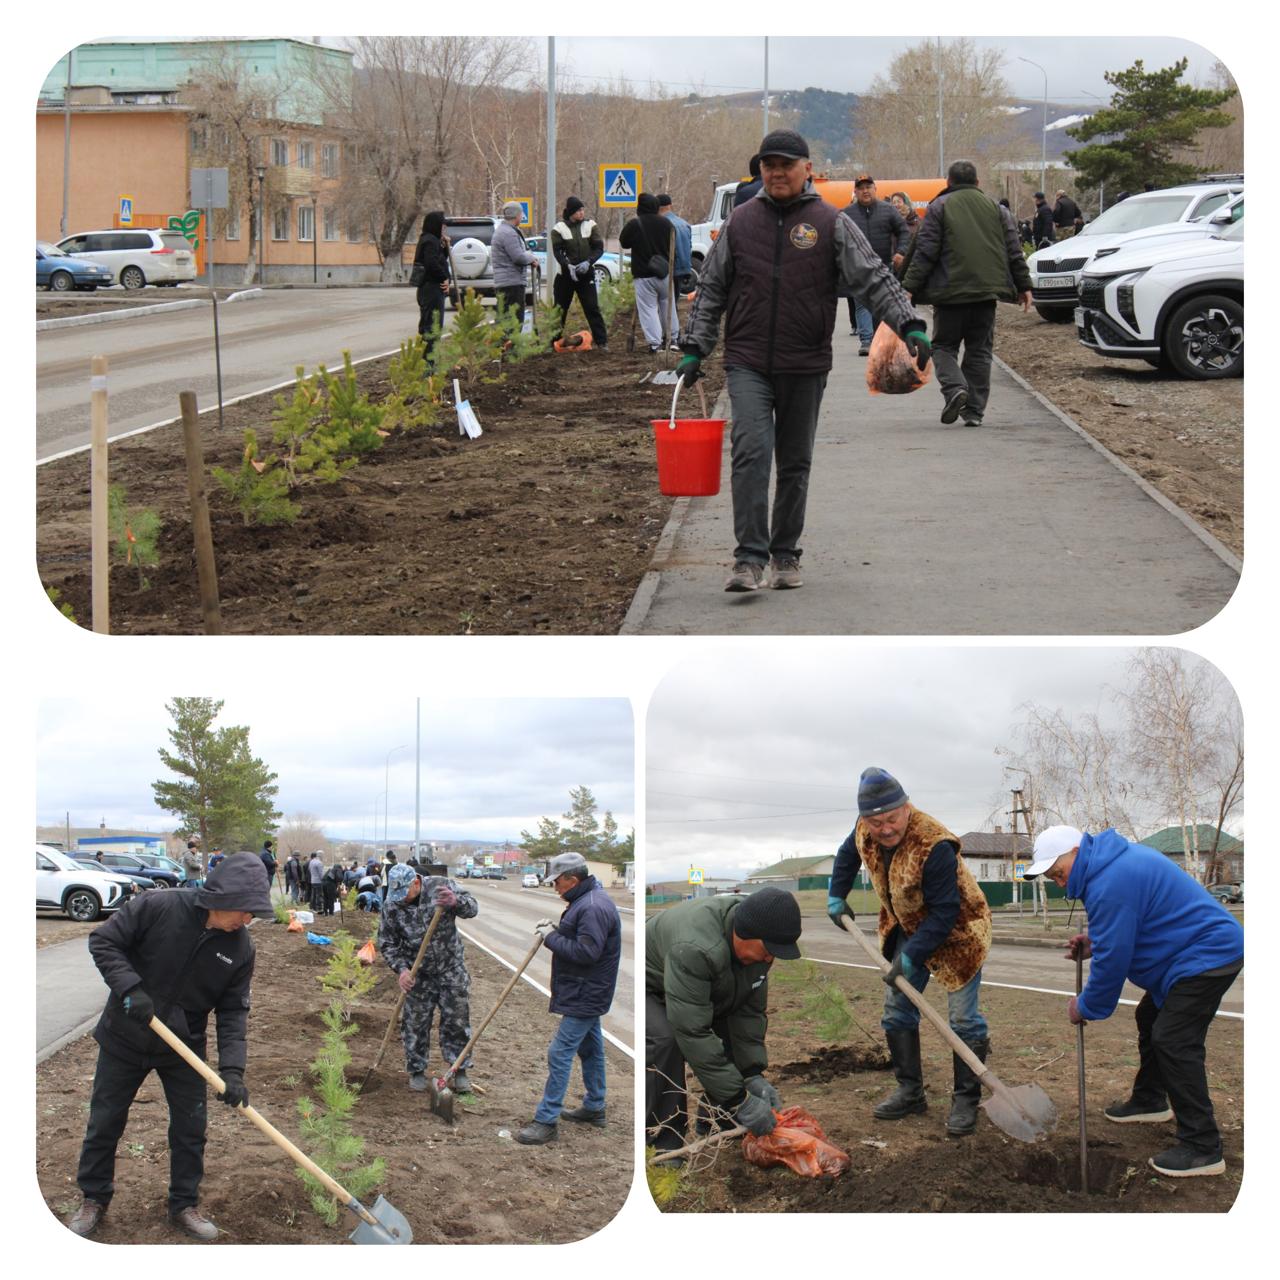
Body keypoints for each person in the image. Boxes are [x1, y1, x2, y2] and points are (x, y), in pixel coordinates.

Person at [677, 129, 927, 593]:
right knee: (751, 454)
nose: (775, 172)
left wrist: (909, 324)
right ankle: (749, 558)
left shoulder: (830, 222)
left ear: (806, 169)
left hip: (806, 360)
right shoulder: (740, 222)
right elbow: (711, 286)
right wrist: (695, 346)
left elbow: (873, 278)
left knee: (795, 462)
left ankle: (785, 553)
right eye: (768, 164)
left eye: (785, 164)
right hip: (748, 360)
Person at [66, 852, 273, 1241]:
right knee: (106, 1120)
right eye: (247, 911)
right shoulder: (159, 906)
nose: (249, 920)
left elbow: (233, 1012)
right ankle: (93, 1198)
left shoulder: (241, 948)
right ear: (224, 898)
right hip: (125, 1035)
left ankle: (184, 1204)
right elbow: (104, 941)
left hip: (184, 1047)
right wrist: (130, 987)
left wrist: (233, 1070)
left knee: (191, 1129)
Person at [1025, 825, 1244, 1178]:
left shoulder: (1110, 880)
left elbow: (1113, 962)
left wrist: (1085, 1006)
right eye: (1051, 877)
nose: (1058, 881)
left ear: (1077, 852)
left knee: (1174, 1039)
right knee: (1150, 1017)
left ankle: (1203, 1147)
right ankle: (1149, 1099)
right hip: (1186, 956)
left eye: (1058, 871)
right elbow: (1128, 925)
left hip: (1208, 954)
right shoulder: (1110, 866)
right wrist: (1095, 942)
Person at [828, 768, 993, 1137]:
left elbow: (945, 912)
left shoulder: (934, 844)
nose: (884, 828)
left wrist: (910, 956)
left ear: (906, 807)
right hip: (908, 923)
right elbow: (846, 855)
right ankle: (910, 1091)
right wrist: (837, 893)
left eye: (891, 818)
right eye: (875, 821)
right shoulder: (864, 828)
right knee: (897, 1007)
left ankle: (966, 1100)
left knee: (963, 1019)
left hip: (958, 930)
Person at [646, 886, 803, 1157]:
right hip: (651, 982)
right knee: (667, 1041)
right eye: (768, 950)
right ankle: (663, 1141)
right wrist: (739, 1099)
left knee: (729, 1025)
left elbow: (747, 1015)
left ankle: (719, 1124)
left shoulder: (761, 933)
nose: (770, 959)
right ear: (743, 934)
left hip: (698, 977)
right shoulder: (696, 947)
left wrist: (752, 1075)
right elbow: (693, 1031)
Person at [900, 159, 1033, 429]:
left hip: (950, 294)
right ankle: (973, 411)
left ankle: (955, 389)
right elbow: (1014, 250)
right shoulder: (997, 209)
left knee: (943, 346)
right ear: (977, 183)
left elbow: (926, 251)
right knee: (980, 351)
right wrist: (1025, 286)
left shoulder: (940, 207)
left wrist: (909, 287)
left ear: (948, 182)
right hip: (986, 294)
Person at [516, 853, 622, 1145]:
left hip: (586, 993)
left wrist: (551, 937)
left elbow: (587, 953)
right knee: (591, 1050)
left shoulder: (592, 907)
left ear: (573, 880)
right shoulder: (586, 901)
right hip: (585, 990)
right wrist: (560, 930)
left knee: (559, 1052)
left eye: (557, 883)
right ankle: (594, 1107)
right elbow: (582, 941)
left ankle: (546, 1120)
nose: (555, 888)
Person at [378, 863, 478, 1092]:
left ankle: (459, 1070)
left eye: (404, 893)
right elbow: (387, 943)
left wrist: (456, 902)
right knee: (415, 1023)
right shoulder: (392, 905)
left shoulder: (441, 887)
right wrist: (402, 970)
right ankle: (416, 1070)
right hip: (418, 974)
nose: (401, 899)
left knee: (457, 1021)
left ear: (416, 882)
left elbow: (473, 908)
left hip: (450, 968)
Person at [840, 174, 911, 355]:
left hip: (883, 266)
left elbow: (904, 232)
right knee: (862, 304)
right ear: (855, 191)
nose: (865, 191)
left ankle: (879, 340)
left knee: (881, 305)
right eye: (861, 188)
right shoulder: (847, 214)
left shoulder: (888, 210)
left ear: (875, 189)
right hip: (858, 269)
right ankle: (866, 341)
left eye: (868, 187)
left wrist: (901, 252)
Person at [620, 192, 679, 353]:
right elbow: (673, 245)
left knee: (649, 309)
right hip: (665, 272)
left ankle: (655, 344)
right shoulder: (667, 224)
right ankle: (673, 339)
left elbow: (624, 242)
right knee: (669, 306)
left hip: (644, 275)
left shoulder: (635, 224)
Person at [549, 196, 608, 349]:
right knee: (559, 310)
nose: (581, 213)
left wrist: (589, 262)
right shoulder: (558, 228)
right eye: (578, 210)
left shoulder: (590, 225)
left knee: (592, 307)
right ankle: (553, 342)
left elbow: (598, 248)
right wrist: (567, 265)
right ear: (570, 212)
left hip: (585, 275)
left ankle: (602, 342)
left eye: (582, 210)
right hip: (565, 277)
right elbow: (557, 251)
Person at [491, 201, 536, 328]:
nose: (522, 216)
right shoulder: (508, 233)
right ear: (517, 215)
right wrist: (532, 257)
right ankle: (509, 347)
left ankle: (502, 346)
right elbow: (519, 257)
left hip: (507, 282)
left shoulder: (505, 230)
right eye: (521, 213)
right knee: (514, 322)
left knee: (505, 321)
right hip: (511, 284)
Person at [411, 211, 451, 351]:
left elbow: (440, 260)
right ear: (435, 225)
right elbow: (432, 264)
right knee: (431, 328)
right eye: (442, 226)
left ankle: (429, 362)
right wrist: (444, 279)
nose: (444, 229)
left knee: (432, 327)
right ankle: (428, 366)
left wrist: (445, 247)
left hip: (431, 289)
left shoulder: (431, 240)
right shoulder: (429, 241)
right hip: (431, 290)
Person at [657, 193, 695, 294]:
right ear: (670, 206)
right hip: (684, 268)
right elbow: (689, 247)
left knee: (667, 303)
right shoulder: (684, 224)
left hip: (669, 270)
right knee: (674, 300)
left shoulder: (662, 225)